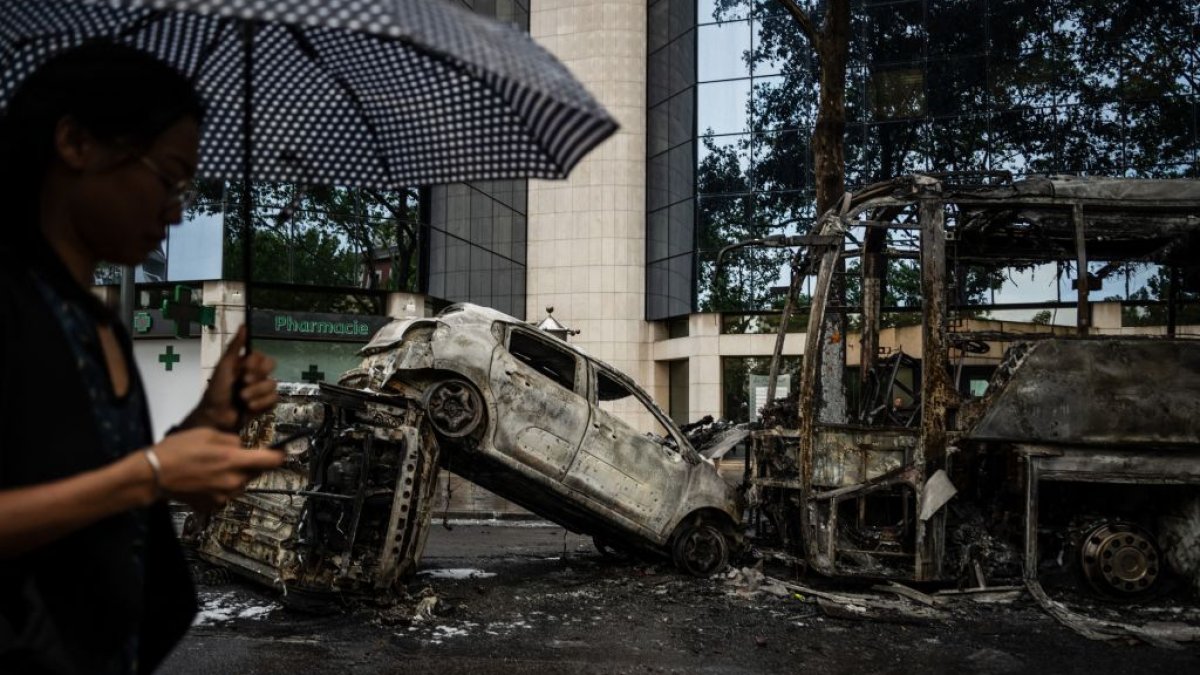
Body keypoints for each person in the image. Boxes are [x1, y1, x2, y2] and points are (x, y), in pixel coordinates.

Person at [0, 42, 285, 674]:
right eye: (168, 176)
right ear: (76, 142)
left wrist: (207, 426)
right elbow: (125, 481)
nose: (177, 210)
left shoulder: (95, 321)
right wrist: (152, 472)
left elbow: (92, 485)